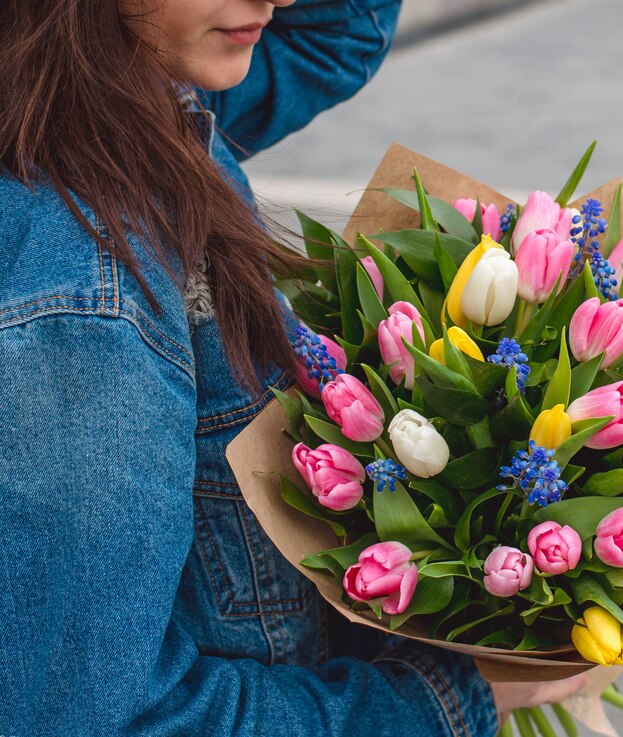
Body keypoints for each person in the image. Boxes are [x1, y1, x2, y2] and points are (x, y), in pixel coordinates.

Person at [0, 1, 586, 734]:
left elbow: (339, 31)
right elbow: (101, 722)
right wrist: (448, 699)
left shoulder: (121, 94)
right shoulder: (86, 304)